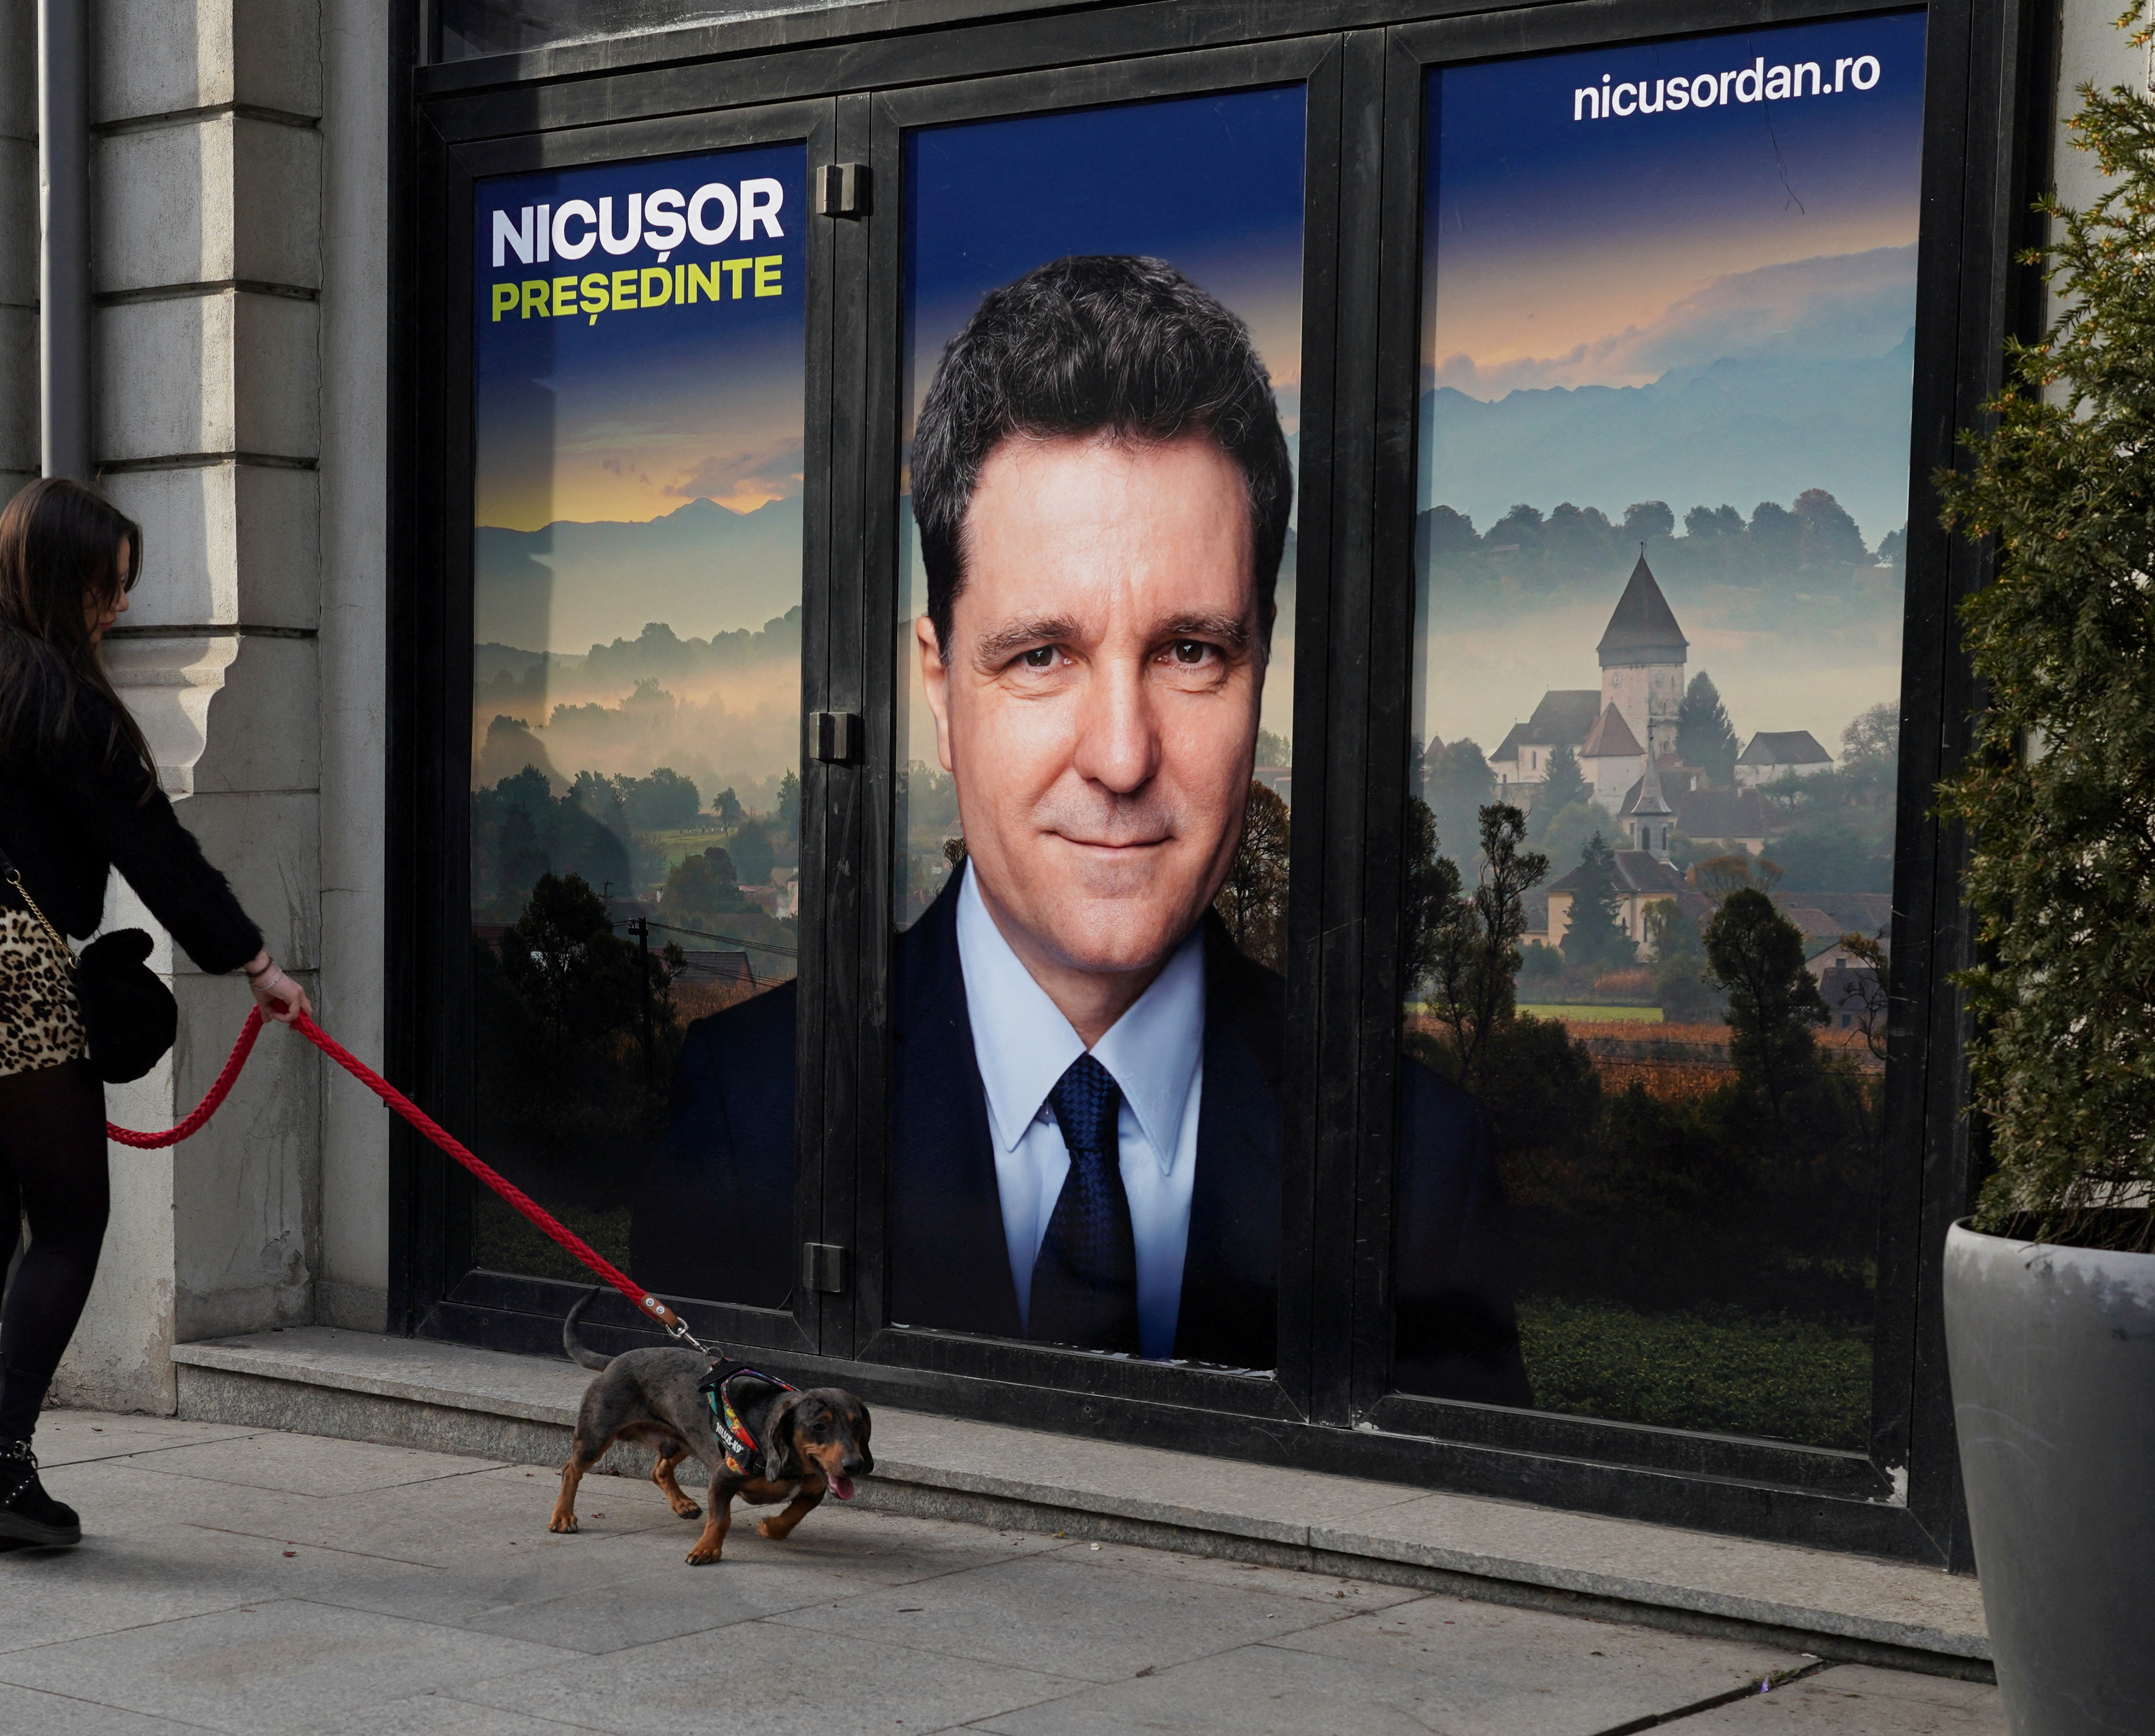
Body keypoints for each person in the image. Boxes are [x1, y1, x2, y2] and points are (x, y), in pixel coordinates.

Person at [634, 255, 1527, 1403]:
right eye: (1042, 655)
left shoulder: (1419, 1168)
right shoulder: (751, 1124)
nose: (1121, 755)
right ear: (942, 690)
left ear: (1262, 677)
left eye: (1191, 652)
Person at [0, 477, 313, 1555]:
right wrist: (252, 961)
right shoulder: (60, 698)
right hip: (8, 968)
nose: (119, 606)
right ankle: (5, 1467)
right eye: (110, 587)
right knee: (68, 1223)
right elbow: (152, 846)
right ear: (64, 580)